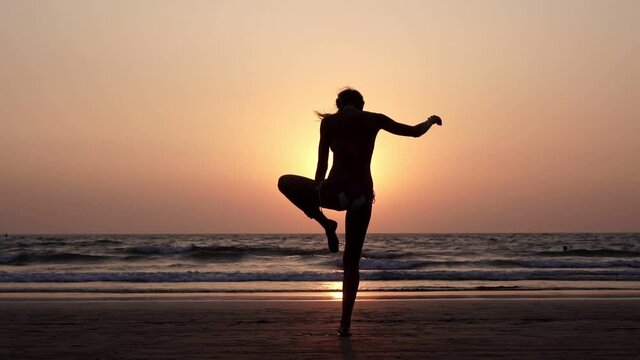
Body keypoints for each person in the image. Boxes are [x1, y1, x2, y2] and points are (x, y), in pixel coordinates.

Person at [277, 88, 442, 336]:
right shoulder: (374, 119)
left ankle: (325, 223)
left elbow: (321, 163)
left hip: (333, 192)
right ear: (361, 104)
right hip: (362, 197)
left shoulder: (329, 122)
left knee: (284, 182)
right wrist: (430, 120)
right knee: (351, 263)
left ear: (340, 104)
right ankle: (345, 324)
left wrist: (318, 192)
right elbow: (414, 132)